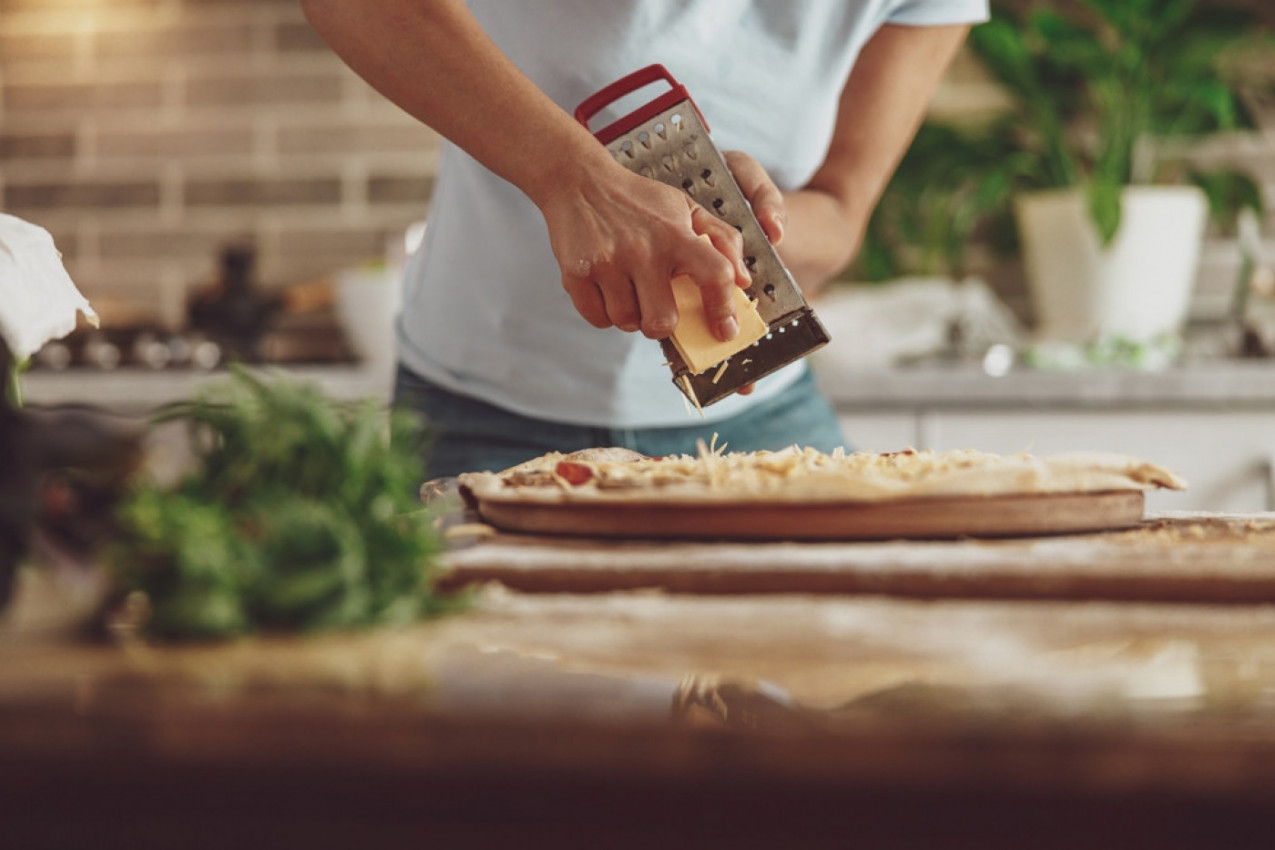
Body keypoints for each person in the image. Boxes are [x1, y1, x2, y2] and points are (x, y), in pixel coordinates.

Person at [301, 0, 987, 478]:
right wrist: (576, 181)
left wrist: (739, 228)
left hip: (757, 425)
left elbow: (839, 214)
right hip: (481, 409)